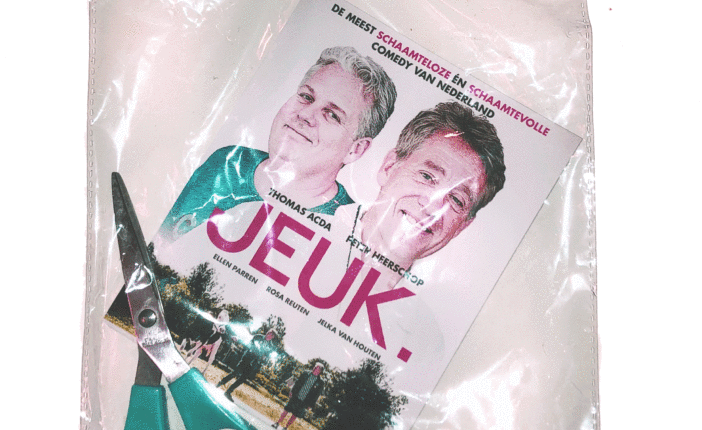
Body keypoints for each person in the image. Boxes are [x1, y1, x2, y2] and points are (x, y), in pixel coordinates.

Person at [159, 46, 397, 241]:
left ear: (355, 149)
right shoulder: (228, 162)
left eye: (332, 115)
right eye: (306, 97)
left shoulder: (348, 232)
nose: (305, 114)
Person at [339, 102, 506, 283]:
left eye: (457, 200)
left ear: (462, 226)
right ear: (389, 167)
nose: (433, 206)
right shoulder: (317, 221)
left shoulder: (435, 299)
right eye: (427, 176)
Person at [217, 328, 277, 399]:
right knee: (235, 373)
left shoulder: (269, 345)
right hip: (247, 357)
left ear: (272, 337)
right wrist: (257, 350)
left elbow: (266, 355)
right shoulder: (258, 336)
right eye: (269, 333)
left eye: (271, 335)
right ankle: (221, 383)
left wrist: (264, 357)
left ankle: (228, 392)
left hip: (253, 363)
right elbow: (251, 343)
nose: (268, 334)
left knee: (242, 379)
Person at [272, 364, 325, 430]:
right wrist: (292, 391)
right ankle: (277, 423)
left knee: (295, 415)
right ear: (314, 367)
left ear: (320, 371)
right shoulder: (306, 373)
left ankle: (285, 428)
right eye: (316, 368)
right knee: (286, 410)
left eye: (318, 369)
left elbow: (316, 395)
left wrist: (311, 405)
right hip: (296, 396)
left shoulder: (320, 382)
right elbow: (297, 382)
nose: (316, 370)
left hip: (304, 401)